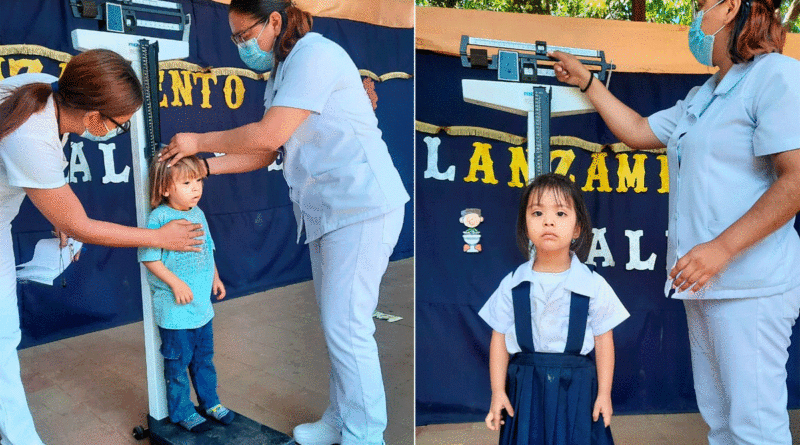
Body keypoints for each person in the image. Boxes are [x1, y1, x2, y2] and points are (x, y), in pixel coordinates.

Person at [158, 1, 410, 444]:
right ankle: (339, 419)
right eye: (234, 38)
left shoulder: (315, 54)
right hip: (327, 211)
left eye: (244, 35)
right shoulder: (281, 72)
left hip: (361, 204)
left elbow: (267, 134)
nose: (240, 46)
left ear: (275, 20)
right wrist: (202, 166)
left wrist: (198, 138)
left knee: (348, 329)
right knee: (338, 326)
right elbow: (264, 153)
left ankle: (366, 435)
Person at [550, 0, 800, 443]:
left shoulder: (776, 75)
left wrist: (721, 248)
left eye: (701, 6)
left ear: (729, 9)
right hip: (702, 282)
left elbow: (796, 179)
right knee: (721, 423)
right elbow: (641, 130)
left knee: (754, 426)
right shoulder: (707, 94)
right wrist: (587, 81)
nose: (694, 18)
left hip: (751, 286)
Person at [0, 49, 203, 445]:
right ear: (93, 116)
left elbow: (61, 207)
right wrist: (160, 237)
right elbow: (80, 225)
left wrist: (60, 215)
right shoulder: (30, 133)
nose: (116, 131)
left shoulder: (42, 90)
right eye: (120, 125)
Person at [479, 173, 629, 445]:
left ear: (577, 229)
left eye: (560, 213)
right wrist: (497, 391)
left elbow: (603, 339)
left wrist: (604, 394)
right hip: (525, 387)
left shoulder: (593, 284)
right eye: (537, 213)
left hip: (578, 387)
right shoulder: (513, 284)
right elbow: (499, 337)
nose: (548, 221)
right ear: (525, 225)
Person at [138, 156, 234, 432]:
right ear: (165, 189)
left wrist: (214, 277)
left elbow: (207, 248)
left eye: (199, 181)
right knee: (178, 366)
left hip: (202, 307)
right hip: (175, 312)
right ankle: (182, 412)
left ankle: (210, 402)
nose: (196, 188)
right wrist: (175, 283)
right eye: (187, 182)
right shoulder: (159, 218)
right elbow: (148, 257)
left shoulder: (198, 212)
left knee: (204, 359)